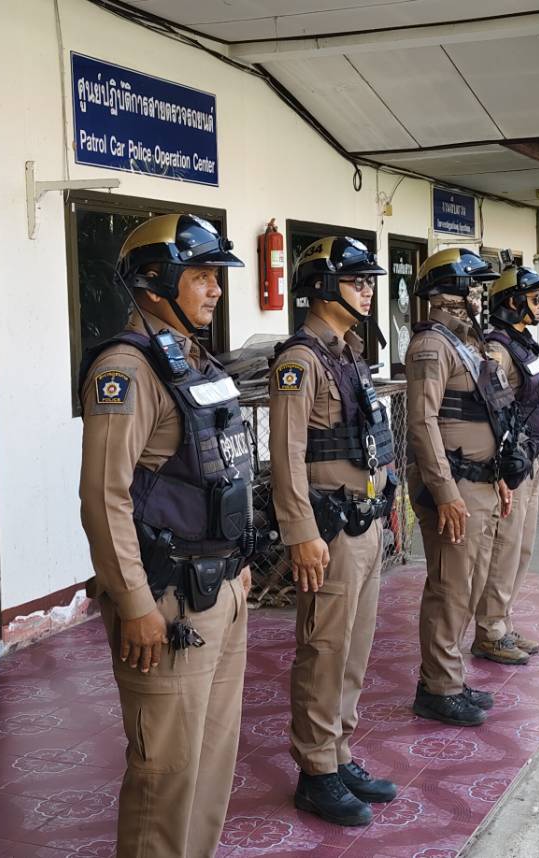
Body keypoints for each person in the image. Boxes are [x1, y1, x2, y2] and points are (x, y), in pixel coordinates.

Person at [77, 213, 254, 858]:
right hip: (168, 602)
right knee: (166, 774)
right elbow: (104, 498)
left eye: (216, 276)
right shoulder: (126, 370)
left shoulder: (192, 360)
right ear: (155, 281)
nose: (215, 289)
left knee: (211, 762)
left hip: (220, 589)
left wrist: (238, 564)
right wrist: (134, 603)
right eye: (201, 275)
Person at [269, 236, 400, 826]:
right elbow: (287, 456)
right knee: (324, 650)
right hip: (328, 532)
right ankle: (316, 769)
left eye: (370, 281)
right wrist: (301, 534)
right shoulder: (300, 361)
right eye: (357, 281)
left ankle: (339, 752)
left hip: (363, 523)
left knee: (354, 648)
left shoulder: (346, 353)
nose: (368, 291)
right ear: (322, 287)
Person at [403, 248, 514, 727]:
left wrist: (500, 475)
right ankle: (438, 687)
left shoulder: (465, 343)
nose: (478, 296)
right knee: (450, 587)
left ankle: (449, 676)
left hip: (481, 482)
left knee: (469, 585)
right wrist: (446, 492)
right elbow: (423, 422)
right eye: (471, 287)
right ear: (447, 292)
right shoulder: (431, 346)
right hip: (455, 485)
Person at [474, 266, 539, 666]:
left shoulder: (523, 344)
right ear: (512, 302)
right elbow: (492, 411)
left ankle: (504, 622)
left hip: (531, 459)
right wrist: (502, 468)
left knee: (522, 548)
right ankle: (490, 631)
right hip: (512, 467)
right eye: (535, 298)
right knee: (504, 550)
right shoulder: (497, 349)